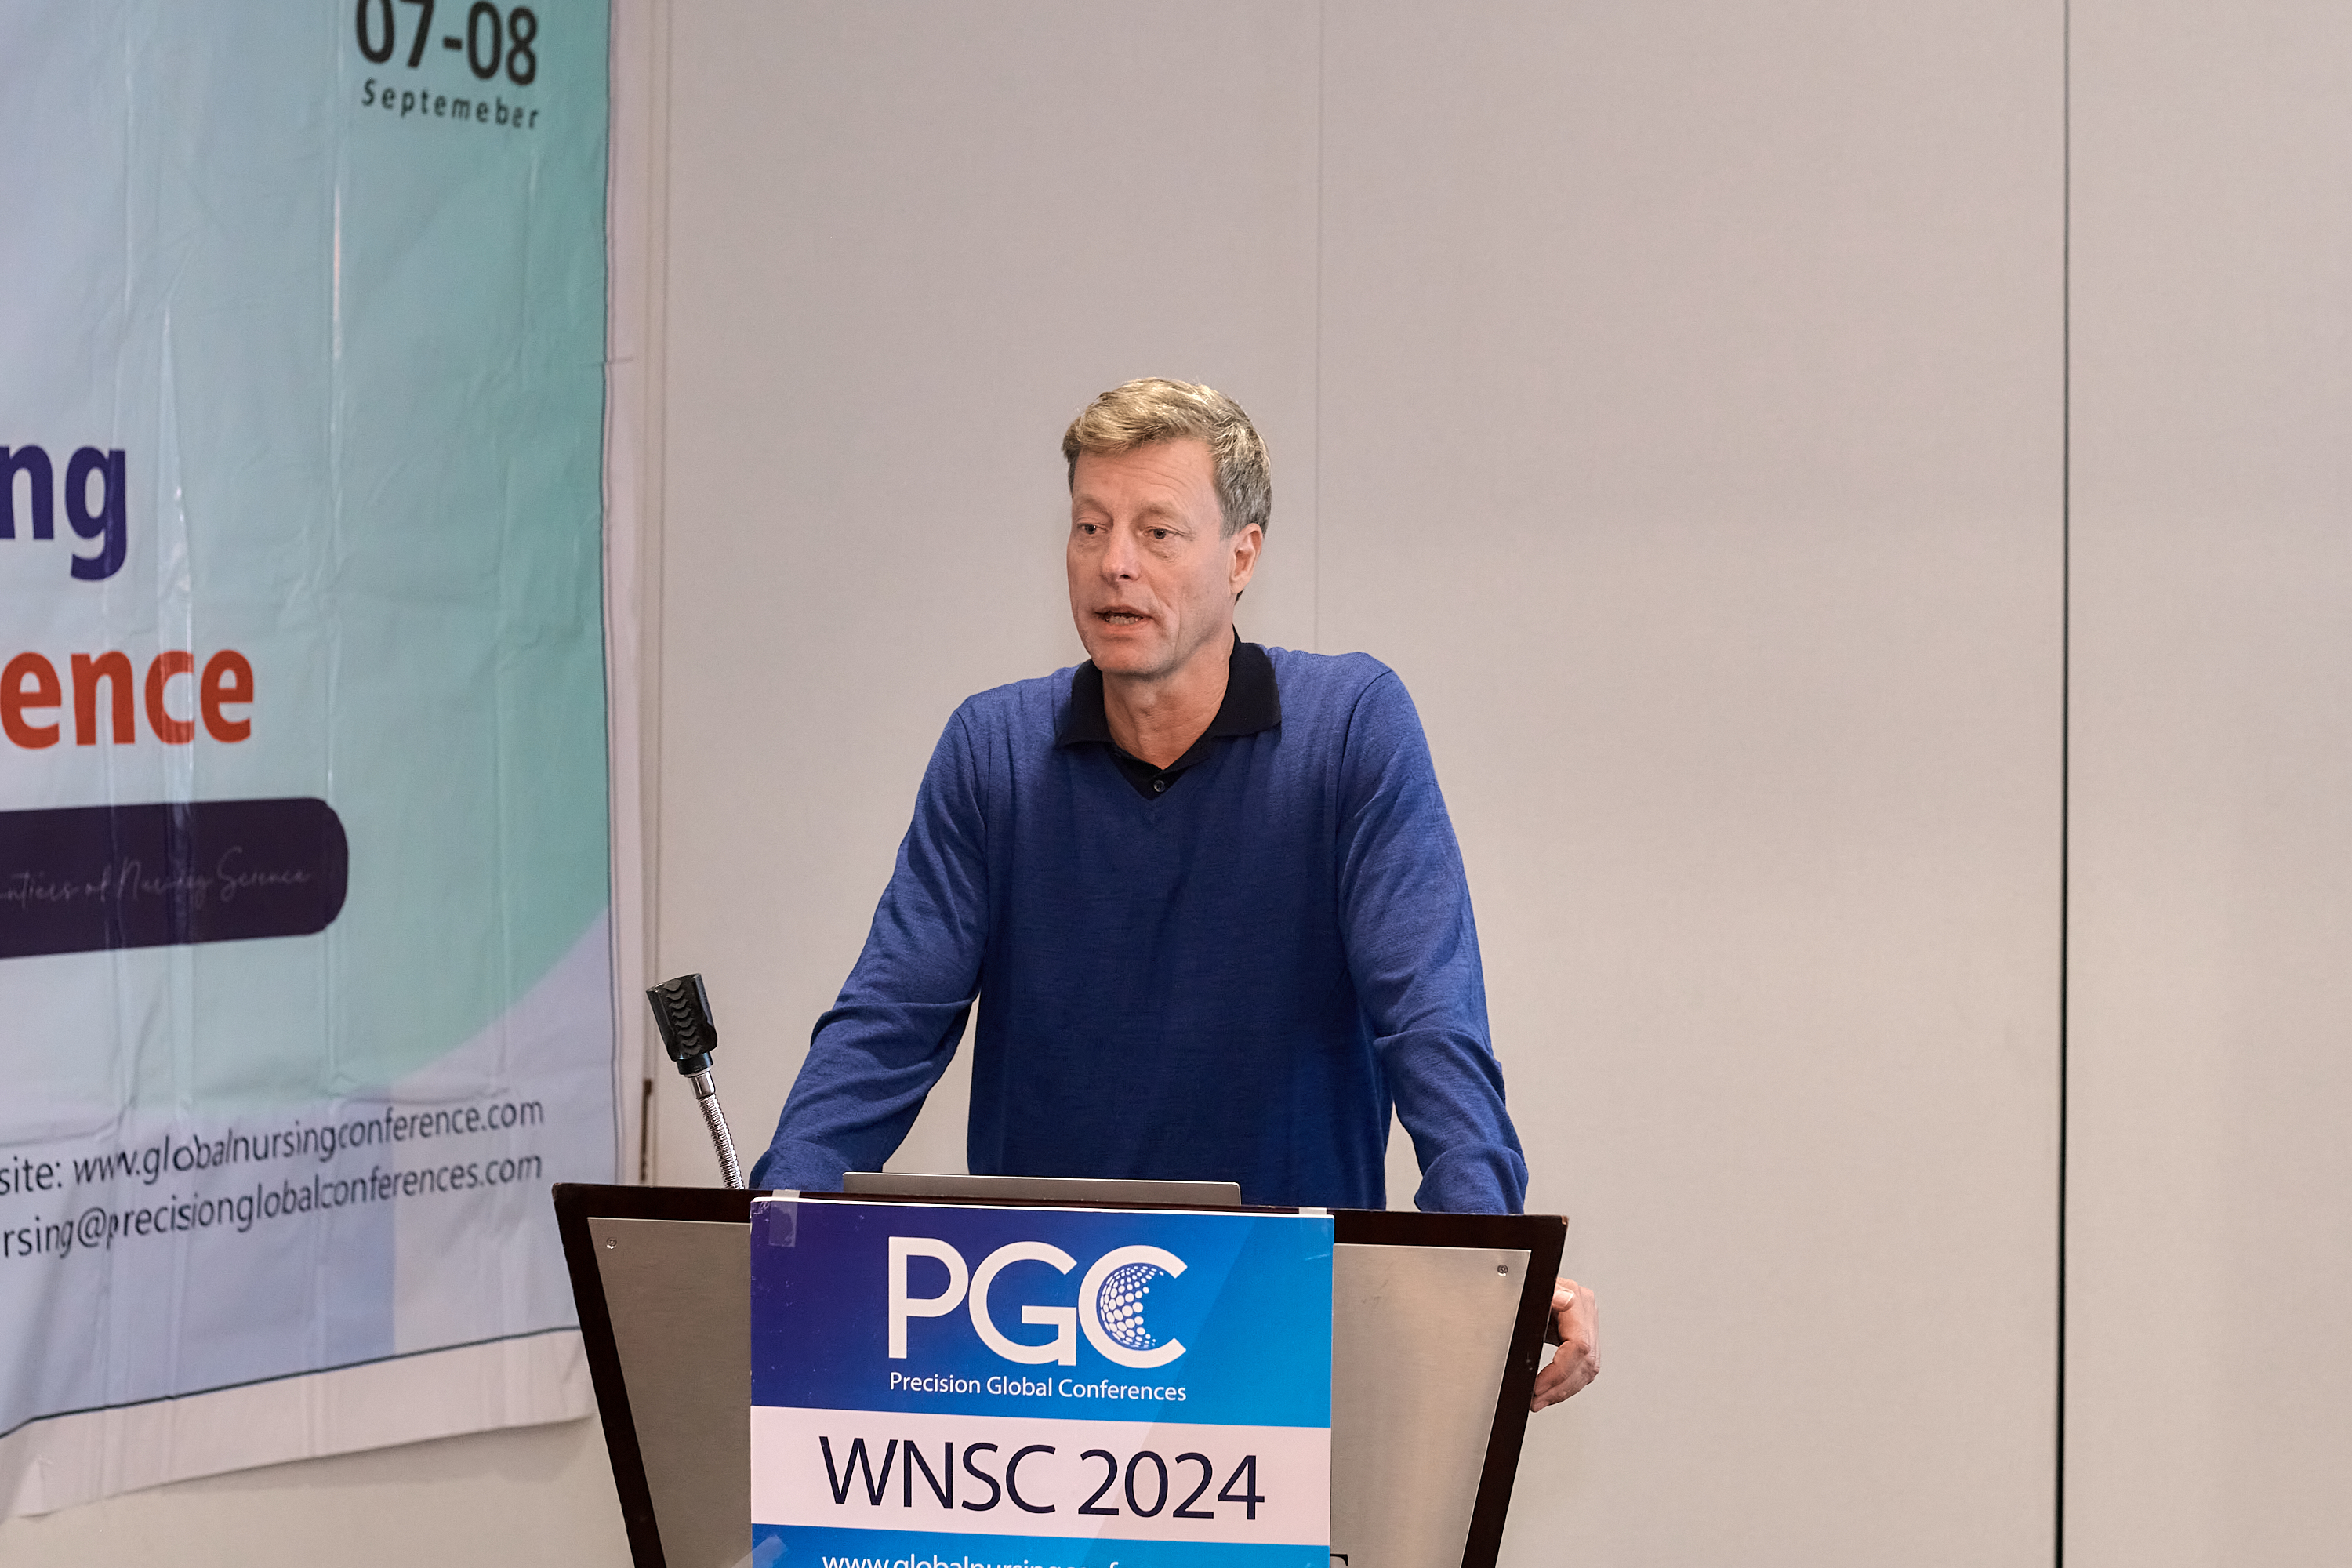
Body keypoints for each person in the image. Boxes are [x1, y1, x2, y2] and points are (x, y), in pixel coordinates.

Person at [750, 379, 1596, 1406]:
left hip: (1278, 1324)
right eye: (1090, 527)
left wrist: (1487, 1259)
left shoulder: (1349, 730)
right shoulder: (994, 750)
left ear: (1241, 557)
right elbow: (888, 1021)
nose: (1116, 562)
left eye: (1158, 532)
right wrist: (773, 1226)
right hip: (1031, 1337)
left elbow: (1430, 1020)